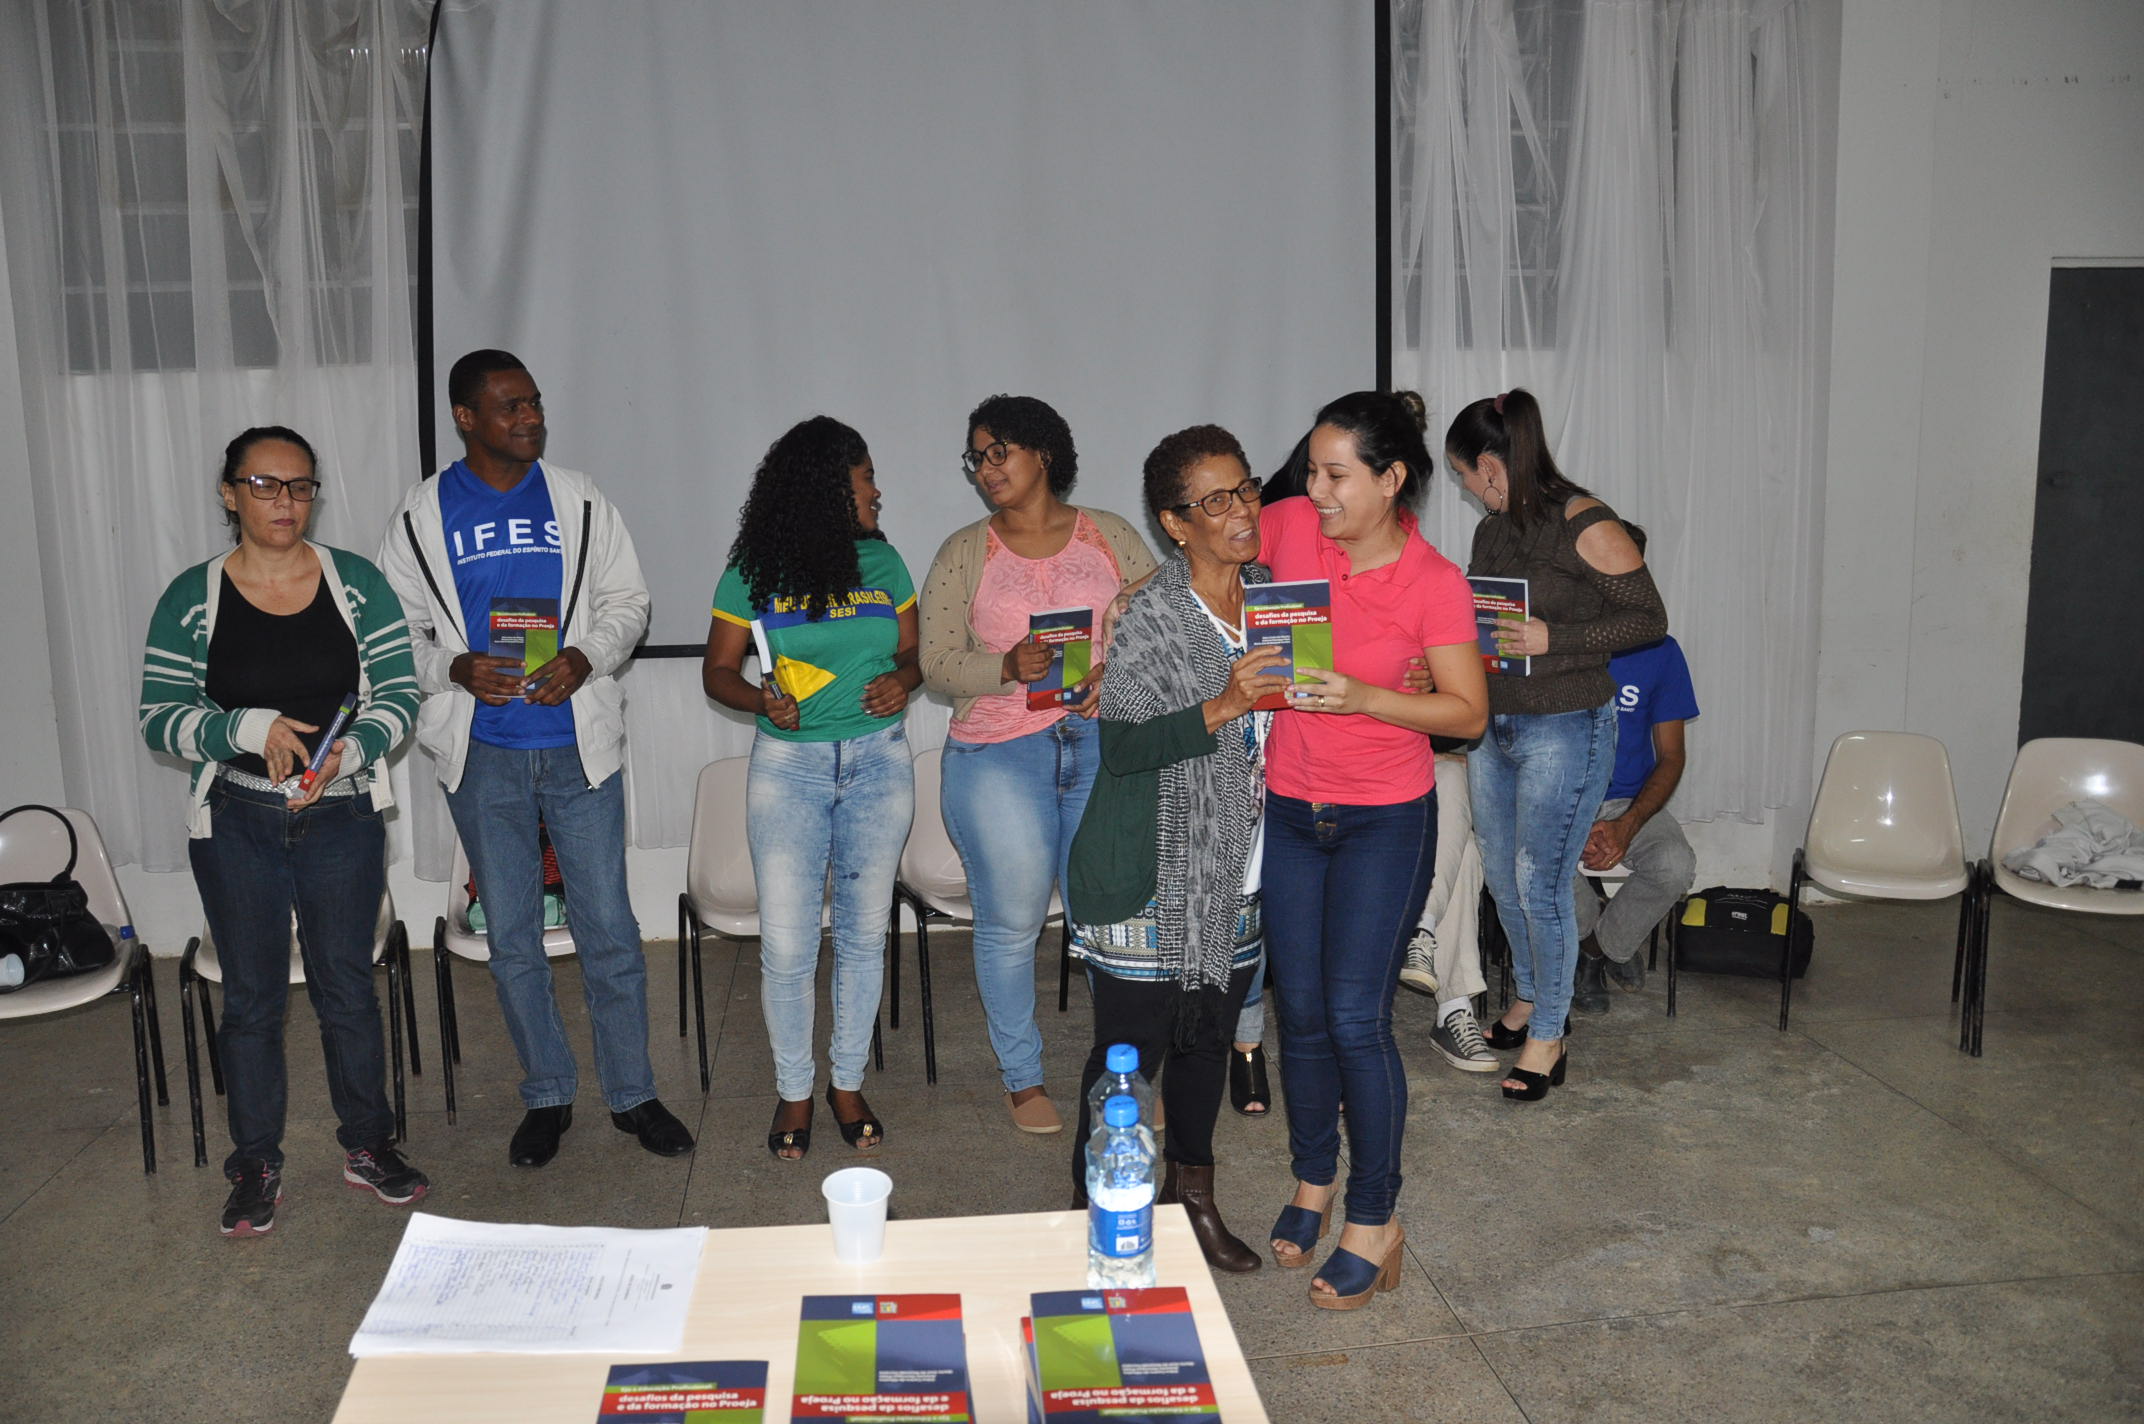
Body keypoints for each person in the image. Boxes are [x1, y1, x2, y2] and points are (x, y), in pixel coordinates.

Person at [379, 349, 692, 1168]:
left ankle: (633, 1094)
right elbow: (390, 634)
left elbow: (628, 602)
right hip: (483, 755)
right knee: (514, 938)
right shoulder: (419, 515)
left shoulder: (579, 498)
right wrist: (453, 667)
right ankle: (548, 1093)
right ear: (466, 418)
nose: (530, 418)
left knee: (610, 929)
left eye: (535, 404)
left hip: (578, 751)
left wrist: (586, 656)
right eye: (510, 407)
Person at [140, 426, 426, 1236]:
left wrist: (348, 753)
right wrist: (246, 726)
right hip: (237, 820)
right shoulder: (191, 597)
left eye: (300, 486)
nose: (285, 501)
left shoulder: (356, 584)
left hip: (341, 815)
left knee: (347, 990)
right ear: (229, 494)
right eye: (264, 484)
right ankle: (256, 1161)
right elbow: (159, 716)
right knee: (252, 1001)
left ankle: (368, 1144)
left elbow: (399, 696)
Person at [1259, 391, 1488, 1310]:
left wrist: (1364, 696)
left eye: (1335, 475)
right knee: (1301, 1013)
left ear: (1391, 480)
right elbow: (1209, 549)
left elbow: (1467, 715)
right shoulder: (1288, 527)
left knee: (1356, 1018)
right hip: (1289, 810)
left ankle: (1373, 1217)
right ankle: (1313, 1179)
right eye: (1311, 471)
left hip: (1384, 819)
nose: (1313, 490)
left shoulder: (1434, 582)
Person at [1065, 425, 1290, 1273]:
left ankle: (1193, 1198)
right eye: (1216, 500)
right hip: (1151, 877)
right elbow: (1123, 746)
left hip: (1241, 867)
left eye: (1246, 489)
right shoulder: (1152, 615)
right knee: (1126, 1066)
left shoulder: (1274, 596)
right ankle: (1092, 1218)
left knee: (1206, 1048)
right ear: (1175, 523)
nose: (1242, 511)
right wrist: (1223, 704)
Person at [919, 394, 1158, 1135]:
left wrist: (1115, 676)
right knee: (1012, 919)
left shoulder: (1110, 534)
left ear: (1043, 453)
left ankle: (1122, 1074)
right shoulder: (964, 551)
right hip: (999, 753)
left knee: (1112, 920)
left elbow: (1164, 625)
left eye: (1000, 452)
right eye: (976, 457)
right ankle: (1022, 1079)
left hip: (1103, 744)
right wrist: (1005, 665)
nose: (986, 469)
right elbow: (934, 663)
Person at [703, 416, 918, 1160]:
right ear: (828, 486)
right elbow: (718, 672)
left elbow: (914, 654)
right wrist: (760, 700)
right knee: (789, 945)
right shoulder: (753, 571)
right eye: (865, 477)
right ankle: (794, 1089)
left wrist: (903, 681)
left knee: (863, 937)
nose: (876, 490)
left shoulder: (885, 562)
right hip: (789, 771)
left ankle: (846, 1083)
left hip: (879, 764)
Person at [1446, 388, 1666, 1099]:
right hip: (1494, 726)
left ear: (1490, 464)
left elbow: (1649, 620)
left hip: (1566, 726)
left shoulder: (1585, 520)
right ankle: (1530, 998)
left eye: (1465, 475)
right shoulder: (1492, 530)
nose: (1468, 489)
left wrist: (1555, 639)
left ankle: (1549, 1035)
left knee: (1540, 884)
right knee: (1503, 879)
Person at [1568, 525, 1699, 1014]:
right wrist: (1573, 819)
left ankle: (1600, 949)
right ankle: (1597, 944)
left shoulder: (1661, 651)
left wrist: (1627, 823)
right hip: (1559, 797)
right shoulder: (1552, 642)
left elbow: (1672, 756)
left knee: (1675, 865)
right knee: (1533, 859)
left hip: (1629, 800)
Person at [1398, 746, 1498, 1070]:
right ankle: (1453, 1007)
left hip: (1437, 802)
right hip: (1368, 794)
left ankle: (1423, 927)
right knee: (1463, 850)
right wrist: (1418, 754)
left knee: (1464, 845)